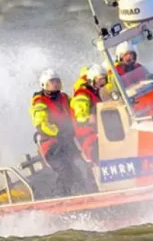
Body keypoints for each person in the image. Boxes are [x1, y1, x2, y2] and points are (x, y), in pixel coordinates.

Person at [30, 68, 89, 196]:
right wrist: (59, 133)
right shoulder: (40, 101)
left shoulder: (63, 97)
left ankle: (83, 194)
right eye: (52, 82)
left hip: (67, 142)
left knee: (82, 166)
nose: (55, 84)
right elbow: (42, 124)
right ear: (44, 84)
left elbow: (74, 107)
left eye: (57, 81)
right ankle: (59, 196)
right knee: (64, 169)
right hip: (52, 145)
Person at [70, 63, 105, 163]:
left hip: (101, 131)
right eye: (100, 79)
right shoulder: (82, 95)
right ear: (92, 79)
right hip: (88, 135)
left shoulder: (97, 92)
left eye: (104, 79)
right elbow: (80, 117)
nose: (103, 82)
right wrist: (89, 118)